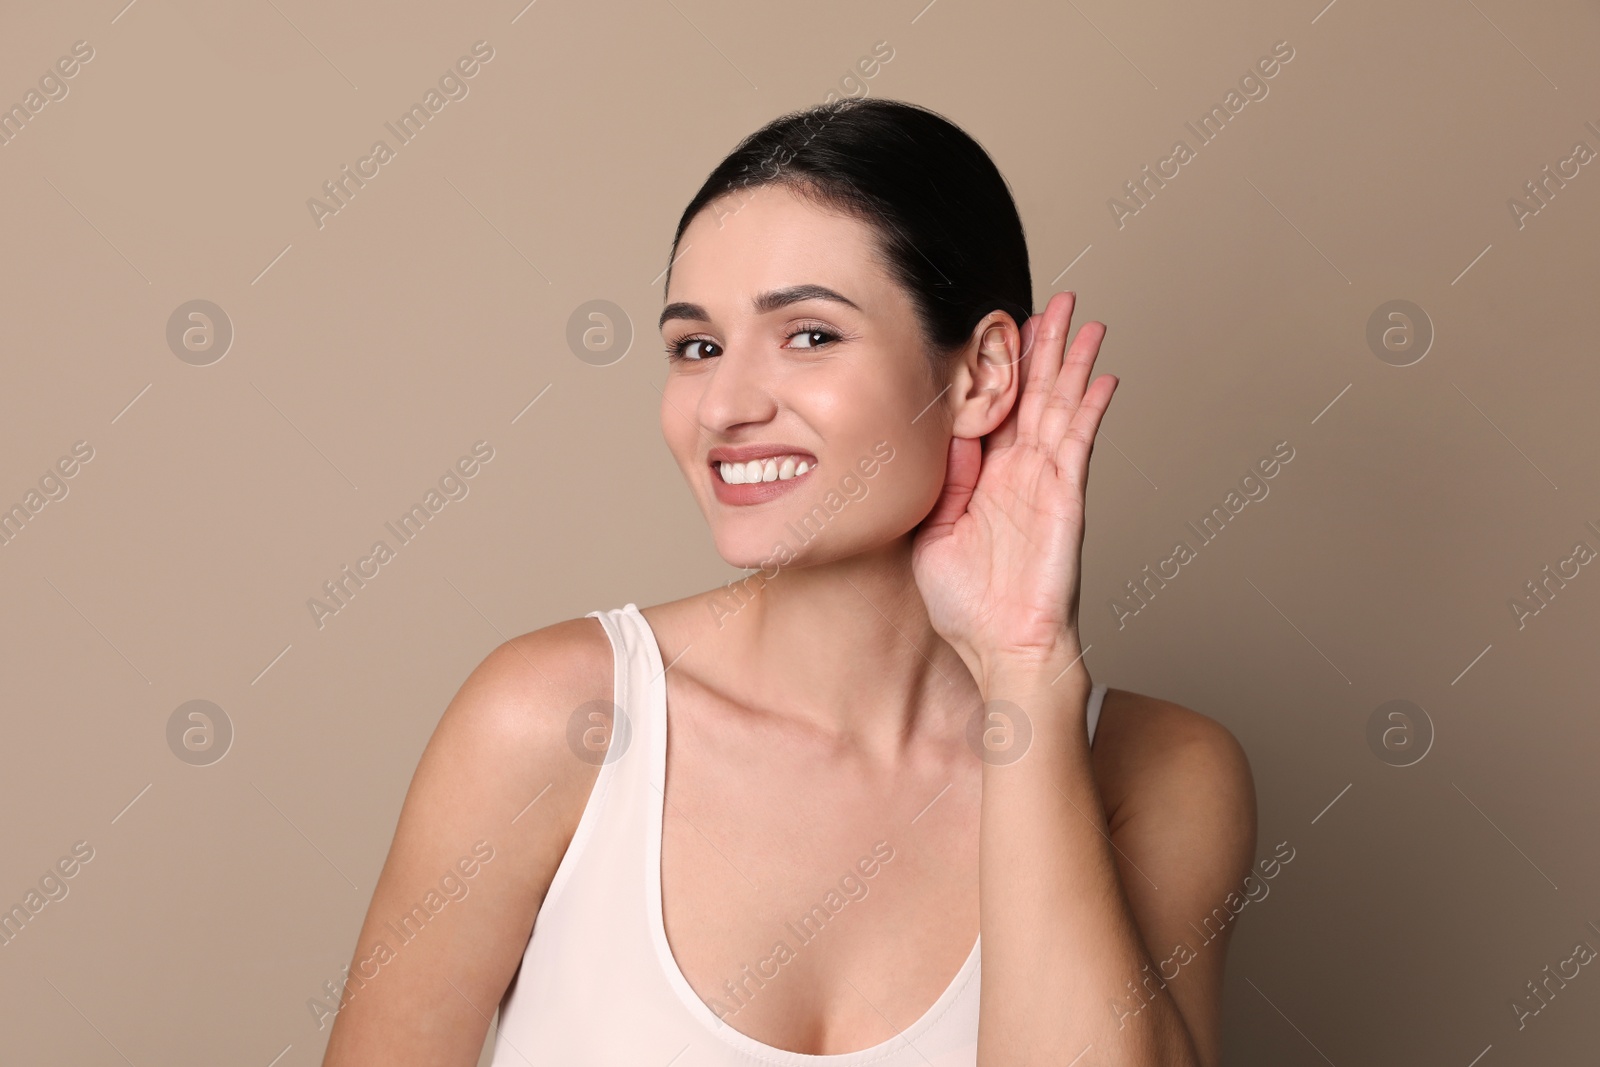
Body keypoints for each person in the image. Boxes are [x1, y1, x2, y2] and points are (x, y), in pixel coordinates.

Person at [320, 97, 1256, 1067]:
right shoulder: (552, 721)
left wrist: (1023, 668)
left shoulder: (1163, 777)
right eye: (696, 346)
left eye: (809, 334)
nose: (725, 404)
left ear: (980, 374)